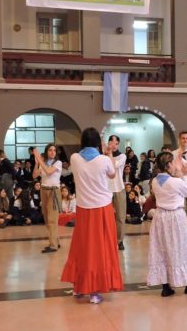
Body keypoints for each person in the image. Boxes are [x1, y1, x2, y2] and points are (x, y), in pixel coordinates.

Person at [60, 128, 123, 304]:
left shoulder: (74, 158)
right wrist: (108, 153)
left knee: (83, 248)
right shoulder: (103, 160)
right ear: (97, 142)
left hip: (83, 209)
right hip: (102, 209)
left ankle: (79, 287)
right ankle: (95, 291)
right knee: (100, 249)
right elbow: (112, 173)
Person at [146, 152, 187, 297]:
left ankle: (166, 286)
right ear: (168, 165)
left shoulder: (154, 181)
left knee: (162, 249)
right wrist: (183, 176)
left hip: (160, 216)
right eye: (173, 162)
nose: (175, 165)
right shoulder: (175, 181)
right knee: (181, 248)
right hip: (175, 217)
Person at [33, 143, 63, 254]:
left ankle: (53, 245)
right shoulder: (43, 163)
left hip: (54, 191)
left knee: (52, 219)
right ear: (47, 152)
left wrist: (39, 158)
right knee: (46, 218)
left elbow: (48, 171)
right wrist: (36, 163)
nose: (52, 152)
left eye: (54, 150)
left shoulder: (58, 163)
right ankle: (56, 240)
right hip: (43, 190)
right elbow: (34, 176)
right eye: (50, 150)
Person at [107, 135, 127, 251]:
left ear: (118, 144)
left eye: (115, 143)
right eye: (111, 142)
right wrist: (107, 153)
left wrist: (108, 153)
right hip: (106, 190)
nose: (113, 145)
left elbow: (113, 165)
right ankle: (108, 239)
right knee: (107, 217)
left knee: (120, 216)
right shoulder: (103, 156)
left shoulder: (122, 156)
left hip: (119, 188)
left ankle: (120, 240)